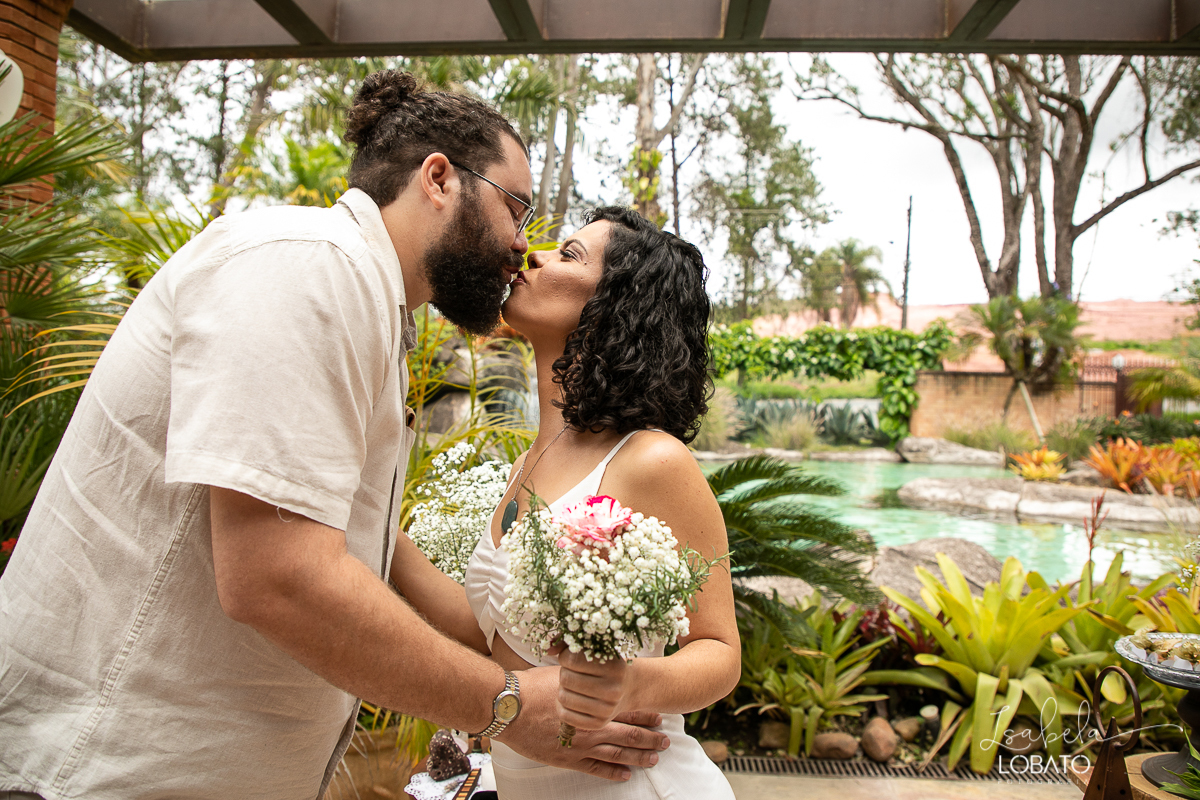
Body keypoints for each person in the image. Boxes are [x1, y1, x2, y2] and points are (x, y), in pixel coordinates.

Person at [0, 72, 668, 800]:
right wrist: (503, 704)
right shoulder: (311, 267)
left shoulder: (369, 305)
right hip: (97, 770)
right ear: (438, 178)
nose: (522, 242)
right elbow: (279, 574)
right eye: (516, 207)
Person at [392, 207, 741, 798]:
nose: (535, 254)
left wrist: (628, 685)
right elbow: (488, 633)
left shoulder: (652, 460)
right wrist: (380, 527)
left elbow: (719, 651)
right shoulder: (530, 460)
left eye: (570, 254)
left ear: (616, 305)